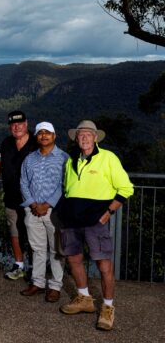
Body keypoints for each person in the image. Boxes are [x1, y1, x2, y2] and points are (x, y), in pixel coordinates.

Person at [58, 120, 133, 331]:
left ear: (95, 137)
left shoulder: (108, 158)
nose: (84, 137)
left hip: (95, 222)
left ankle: (107, 308)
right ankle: (84, 298)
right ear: (76, 138)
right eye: (80, 134)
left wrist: (109, 211)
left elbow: (126, 188)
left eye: (88, 134)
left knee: (104, 265)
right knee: (74, 260)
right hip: (71, 222)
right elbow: (68, 189)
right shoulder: (71, 161)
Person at [19, 121, 67, 303]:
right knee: (37, 248)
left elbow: (65, 184)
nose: (44, 136)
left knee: (56, 250)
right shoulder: (29, 159)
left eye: (47, 132)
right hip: (32, 210)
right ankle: (38, 283)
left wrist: (46, 205)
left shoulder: (64, 158)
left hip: (54, 211)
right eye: (40, 133)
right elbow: (23, 182)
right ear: (36, 137)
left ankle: (55, 286)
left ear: (54, 136)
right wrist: (33, 204)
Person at [0, 110, 38, 280]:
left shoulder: (36, 142)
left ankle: (34, 268)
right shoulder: (6, 143)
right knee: (14, 231)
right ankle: (19, 265)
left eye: (20, 124)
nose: (16, 127)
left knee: (33, 234)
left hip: (32, 199)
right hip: (11, 196)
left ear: (26, 123)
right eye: (13, 124)